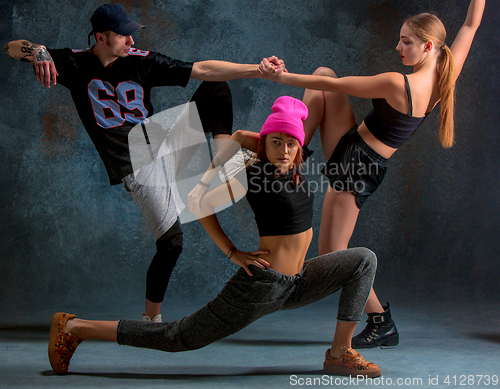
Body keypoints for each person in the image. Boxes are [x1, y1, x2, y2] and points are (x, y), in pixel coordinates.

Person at [48, 96, 381, 378]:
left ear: (299, 148)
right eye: (275, 141)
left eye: (290, 143)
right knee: (178, 336)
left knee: (363, 260)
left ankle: (339, 353)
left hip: (298, 283)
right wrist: (232, 250)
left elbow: (247, 134)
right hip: (262, 285)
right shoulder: (253, 172)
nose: (283, 149)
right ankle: (75, 327)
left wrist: (280, 134)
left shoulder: (293, 163)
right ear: (264, 143)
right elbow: (200, 203)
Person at [258, 0, 488, 348]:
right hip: (352, 144)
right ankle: (290, 159)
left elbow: (337, 86)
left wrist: (280, 79)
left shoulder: (399, 83)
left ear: (427, 47)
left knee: (333, 250)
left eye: (406, 43)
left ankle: (382, 321)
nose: (398, 48)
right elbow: (469, 26)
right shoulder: (445, 73)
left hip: (357, 168)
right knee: (322, 72)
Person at [3, 3, 285, 323]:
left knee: (214, 89)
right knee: (171, 244)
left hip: (163, 141)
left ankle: (222, 166)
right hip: (137, 166)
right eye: (123, 37)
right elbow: (10, 47)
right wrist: (39, 51)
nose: (131, 42)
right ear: (101, 37)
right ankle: (151, 321)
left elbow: (204, 70)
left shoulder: (142, 62)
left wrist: (256, 69)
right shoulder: (73, 63)